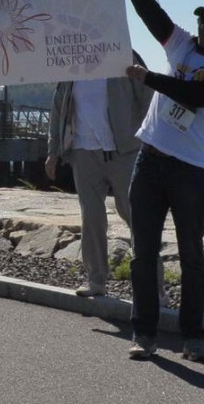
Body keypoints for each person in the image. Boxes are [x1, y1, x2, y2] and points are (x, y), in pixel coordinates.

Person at [115, 0, 204, 363]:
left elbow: (196, 96)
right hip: (150, 160)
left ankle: (193, 335)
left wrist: (149, 78)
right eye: (202, 20)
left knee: (191, 255)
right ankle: (144, 333)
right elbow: (153, 17)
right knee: (143, 253)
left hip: (190, 169)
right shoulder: (183, 45)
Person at [45, 61, 152, 297]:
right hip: (83, 152)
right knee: (91, 216)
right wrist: (53, 152)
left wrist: (152, 140)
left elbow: (148, 98)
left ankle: (154, 287)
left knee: (136, 216)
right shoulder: (70, 63)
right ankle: (96, 280)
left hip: (125, 151)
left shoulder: (124, 56)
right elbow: (58, 109)